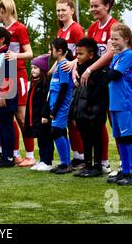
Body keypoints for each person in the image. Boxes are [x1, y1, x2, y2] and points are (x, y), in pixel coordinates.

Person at [76, 0, 119, 174]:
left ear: (107, 6)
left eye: (97, 6)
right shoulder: (93, 27)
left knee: (113, 121)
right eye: (91, 6)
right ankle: (102, 161)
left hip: (111, 79)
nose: (93, 9)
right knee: (96, 122)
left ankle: (120, 163)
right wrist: (74, 66)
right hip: (96, 82)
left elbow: (110, 54)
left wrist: (89, 69)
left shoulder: (115, 26)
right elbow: (85, 50)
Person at [0, 0, 34, 164]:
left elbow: (30, 53)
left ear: (4, 10)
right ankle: (15, 153)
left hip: (18, 74)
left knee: (21, 116)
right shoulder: (2, 29)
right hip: (5, 75)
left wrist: (15, 55)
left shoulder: (19, 28)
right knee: (8, 116)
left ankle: (31, 155)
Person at [105, 24, 132, 186]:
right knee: (120, 138)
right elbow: (108, 74)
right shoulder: (116, 56)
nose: (112, 41)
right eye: (111, 38)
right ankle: (125, 170)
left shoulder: (128, 55)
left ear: (126, 39)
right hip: (115, 104)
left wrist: (98, 72)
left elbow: (113, 74)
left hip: (126, 103)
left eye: (116, 39)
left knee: (128, 137)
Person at [71, 37, 109, 177]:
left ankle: (97, 166)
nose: (77, 57)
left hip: (95, 111)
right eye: (77, 53)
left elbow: (100, 92)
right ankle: (87, 164)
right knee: (85, 137)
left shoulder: (98, 70)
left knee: (96, 137)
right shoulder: (81, 68)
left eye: (81, 54)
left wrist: (93, 108)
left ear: (91, 54)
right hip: (82, 110)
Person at [55, 0, 85, 168]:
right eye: (58, 10)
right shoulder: (61, 31)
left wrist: (73, 63)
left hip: (74, 79)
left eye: (63, 10)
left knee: (74, 119)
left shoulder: (76, 29)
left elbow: (84, 51)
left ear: (72, 11)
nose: (60, 13)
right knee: (68, 120)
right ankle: (76, 155)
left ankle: (81, 156)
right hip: (64, 80)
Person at [0, 27, 18, 168]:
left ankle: (9, 157)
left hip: (5, 96)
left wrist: (3, 95)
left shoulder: (8, 55)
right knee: (2, 126)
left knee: (7, 127)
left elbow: (9, 75)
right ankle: (5, 155)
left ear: (2, 39)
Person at [48, 38, 74, 174]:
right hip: (56, 104)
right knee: (60, 131)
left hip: (62, 105)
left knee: (56, 131)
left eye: (51, 49)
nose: (49, 52)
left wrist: (56, 108)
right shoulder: (58, 65)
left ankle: (66, 163)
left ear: (59, 51)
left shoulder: (63, 65)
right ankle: (65, 162)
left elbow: (64, 88)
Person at [27, 54, 54, 172]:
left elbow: (47, 101)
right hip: (36, 116)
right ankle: (42, 159)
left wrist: (45, 115)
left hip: (44, 117)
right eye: (32, 68)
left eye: (35, 68)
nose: (32, 70)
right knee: (40, 139)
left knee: (46, 138)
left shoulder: (45, 83)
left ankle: (48, 161)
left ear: (42, 69)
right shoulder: (34, 83)